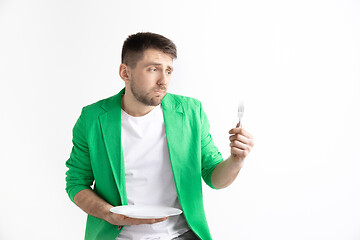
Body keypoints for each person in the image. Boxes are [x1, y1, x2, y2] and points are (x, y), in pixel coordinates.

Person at [65, 32, 254, 240]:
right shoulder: (92, 118)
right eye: (153, 69)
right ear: (125, 73)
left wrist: (236, 160)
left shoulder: (191, 112)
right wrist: (110, 215)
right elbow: (76, 182)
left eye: (169, 71)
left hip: (181, 235)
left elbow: (214, 177)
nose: (163, 81)